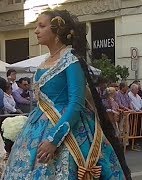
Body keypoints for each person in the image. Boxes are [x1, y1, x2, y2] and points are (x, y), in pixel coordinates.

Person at [3, 9, 131, 179]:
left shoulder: (70, 61)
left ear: (57, 31)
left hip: (68, 128)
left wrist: (54, 139)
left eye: (41, 26)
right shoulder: (44, 62)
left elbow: (76, 102)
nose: (36, 31)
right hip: (36, 128)